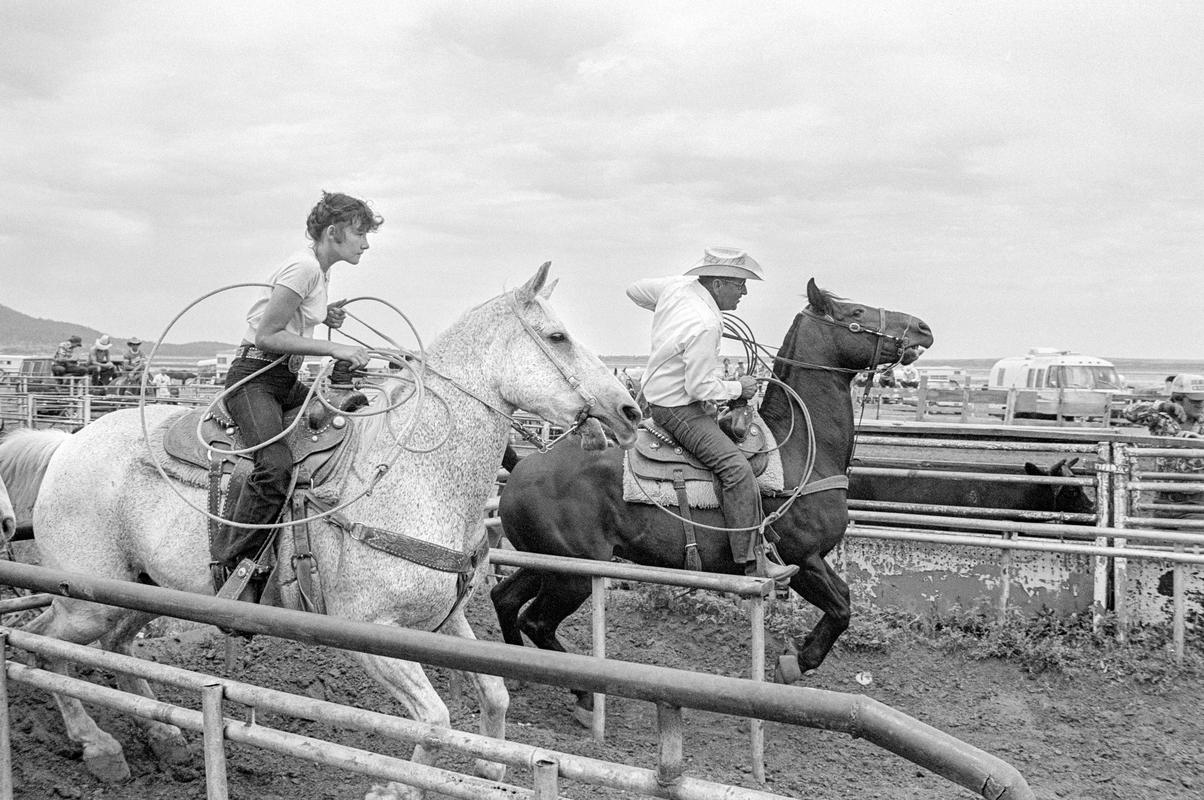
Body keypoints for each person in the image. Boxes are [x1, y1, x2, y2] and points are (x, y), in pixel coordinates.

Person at [210, 191, 382, 596]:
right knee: (274, 467)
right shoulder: (304, 268)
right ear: (334, 232)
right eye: (360, 233)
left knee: (345, 423)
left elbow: (294, 317)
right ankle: (235, 563)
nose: (366, 243)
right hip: (253, 379)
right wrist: (334, 347)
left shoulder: (319, 271)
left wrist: (326, 314)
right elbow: (268, 335)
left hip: (282, 381)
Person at [626, 246, 798, 582]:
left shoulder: (678, 289)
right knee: (734, 468)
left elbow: (635, 290)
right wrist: (739, 388)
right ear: (718, 283)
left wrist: (668, 310)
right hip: (679, 409)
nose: (745, 291)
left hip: (663, 397)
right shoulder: (705, 322)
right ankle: (752, 562)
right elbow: (701, 389)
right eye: (740, 285)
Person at [1123, 373, 1204, 518]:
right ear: (1178, 399)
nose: (1200, 404)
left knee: (1191, 537)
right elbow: (1129, 412)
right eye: (1194, 401)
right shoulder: (1161, 418)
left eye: (1202, 400)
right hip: (1163, 497)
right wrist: (1162, 406)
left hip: (1198, 497)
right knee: (1163, 537)